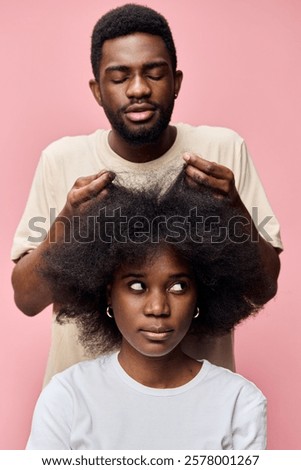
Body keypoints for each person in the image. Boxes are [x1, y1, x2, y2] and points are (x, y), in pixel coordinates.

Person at [11, 4, 282, 385]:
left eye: (154, 74)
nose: (138, 89)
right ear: (97, 91)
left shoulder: (223, 151)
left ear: (176, 81)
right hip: (86, 415)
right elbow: (26, 300)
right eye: (119, 77)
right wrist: (69, 221)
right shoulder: (61, 160)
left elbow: (265, 287)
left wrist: (234, 210)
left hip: (199, 409)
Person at [26, 174, 268, 450]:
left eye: (178, 287)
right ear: (108, 292)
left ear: (201, 293)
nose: (158, 308)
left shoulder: (239, 402)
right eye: (137, 286)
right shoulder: (68, 397)